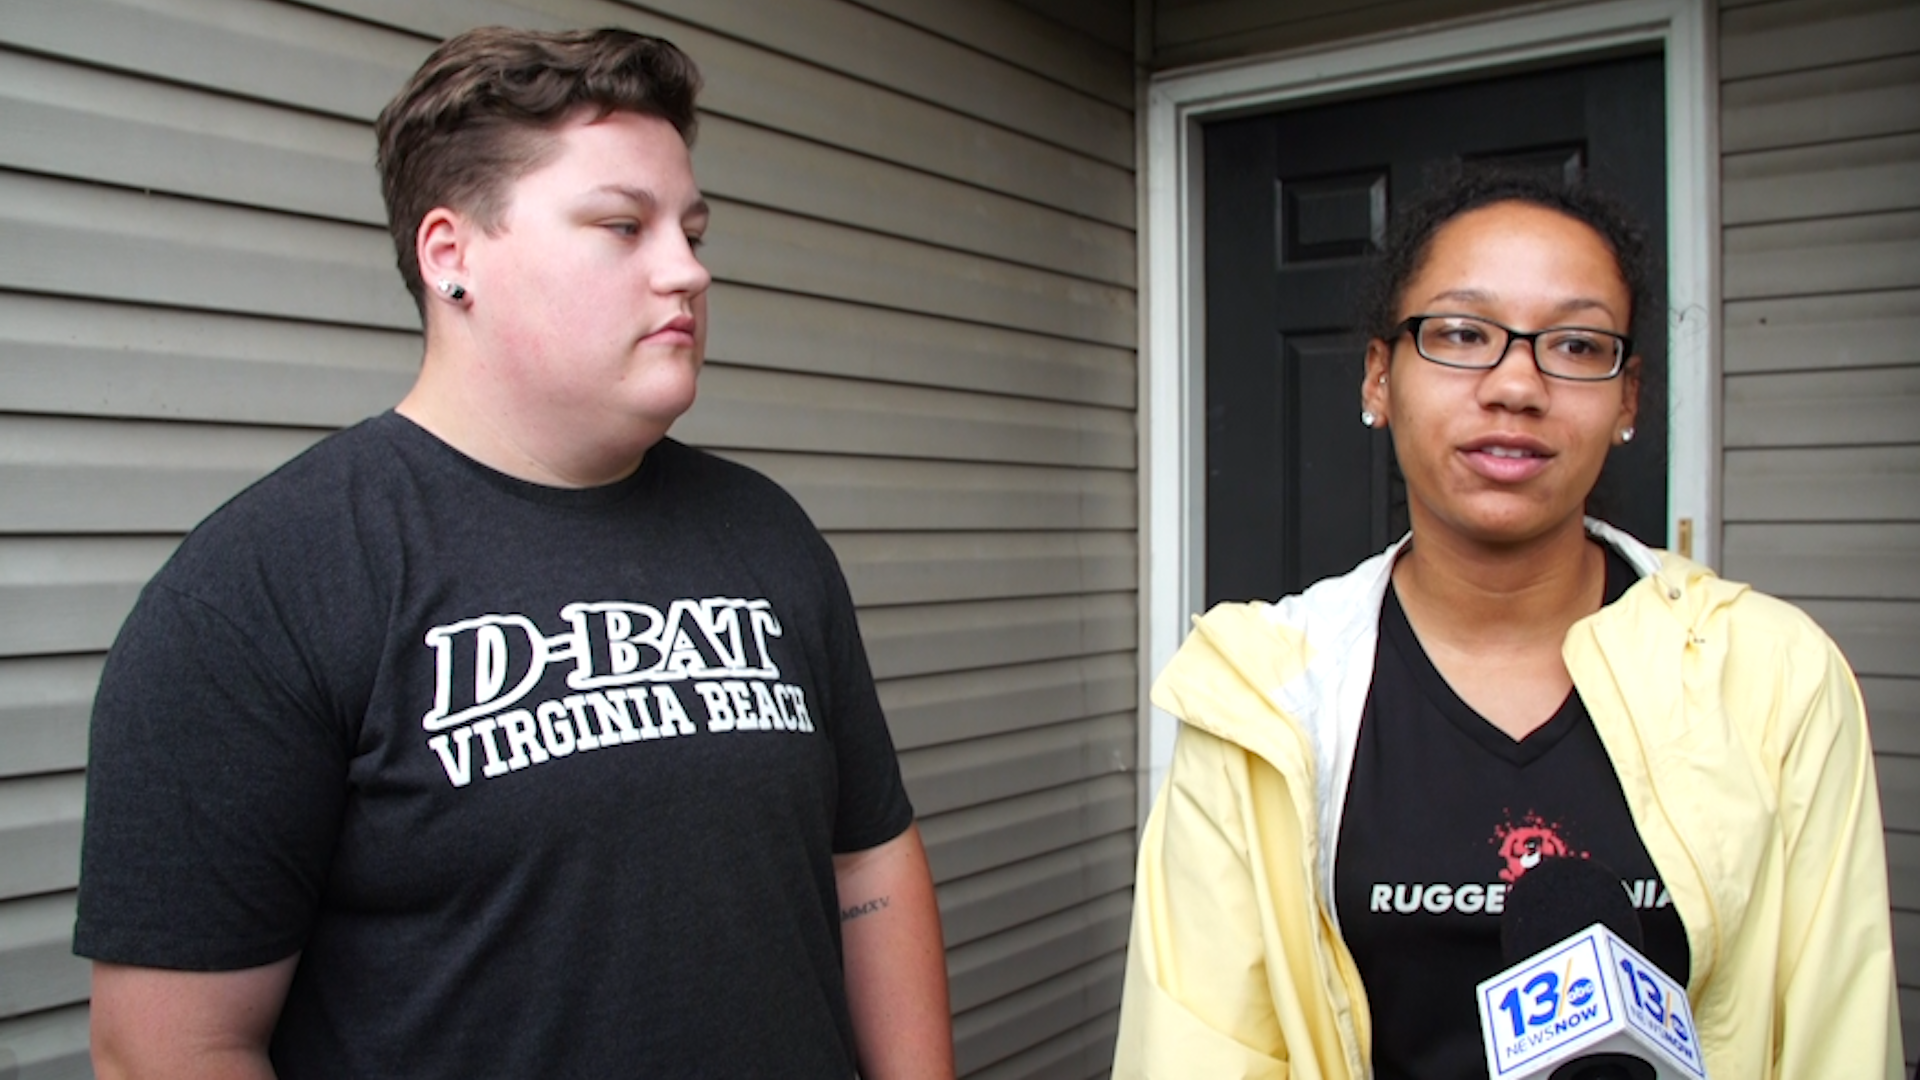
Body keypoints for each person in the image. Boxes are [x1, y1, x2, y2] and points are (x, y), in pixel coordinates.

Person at [73, 26, 953, 1079]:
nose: (688, 270)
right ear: (452, 257)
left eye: (691, 230)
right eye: (623, 225)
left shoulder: (767, 533)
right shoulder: (265, 586)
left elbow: (868, 865)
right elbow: (166, 1048)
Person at [1113, 169, 1901, 1078]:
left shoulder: (1772, 676)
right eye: (1461, 333)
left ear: (1628, 399)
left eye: (1576, 344)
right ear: (1379, 377)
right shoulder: (1257, 701)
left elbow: (1836, 1038)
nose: (1517, 384)